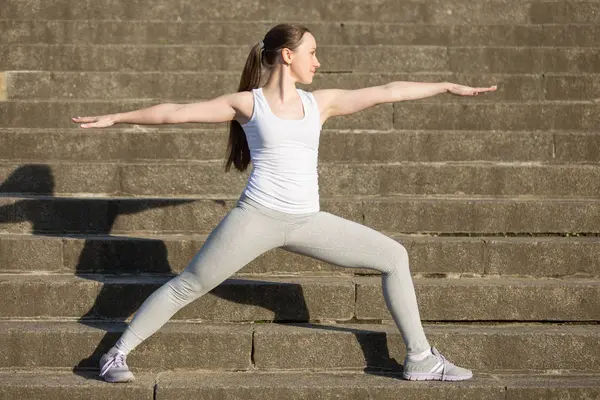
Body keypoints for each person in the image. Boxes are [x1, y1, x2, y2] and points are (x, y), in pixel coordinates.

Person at [72, 23, 497, 383]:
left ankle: (420, 358)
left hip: (308, 221)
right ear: (288, 55)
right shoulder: (248, 104)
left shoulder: (320, 103)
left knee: (394, 256)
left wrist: (443, 85)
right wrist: (118, 117)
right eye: (313, 53)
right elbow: (175, 112)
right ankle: (115, 355)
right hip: (256, 218)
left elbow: (387, 91)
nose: (318, 62)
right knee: (190, 284)